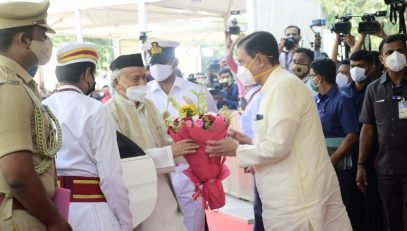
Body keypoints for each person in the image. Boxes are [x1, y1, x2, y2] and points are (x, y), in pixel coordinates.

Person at [205, 31, 352, 230]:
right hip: (287, 194)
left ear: (259, 60)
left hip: (298, 199)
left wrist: (236, 150)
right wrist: (249, 142)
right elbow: (280, 138)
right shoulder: (273, 88)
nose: (239, 69)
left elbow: (278, 146)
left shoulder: (284, 87)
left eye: (242, 62)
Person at [43, 42, 133, 231]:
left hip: (51, 212)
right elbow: (110, 176)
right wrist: (126, 221)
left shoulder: (41, 107)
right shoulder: (96, 109)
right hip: (92, 211)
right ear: (86, 74)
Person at [0, 1, 72, 230]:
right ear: (23, 39)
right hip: (19, 217)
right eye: (42, 36)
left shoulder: (17, 82)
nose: (47, 44)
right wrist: (55, 220)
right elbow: (18, 174)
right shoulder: (9, 85)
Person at [107, 53, 199, 231]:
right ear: (117, 82)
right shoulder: (109, 112)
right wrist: (169, 153)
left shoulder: (149, 105)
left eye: (144, 77)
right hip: (137, 195)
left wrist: (191, 142)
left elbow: (166, 140)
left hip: (164, 186)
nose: (142, 84)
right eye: (135, 79)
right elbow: (123, 161)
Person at [143, 40, 217, 231]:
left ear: (174, 62)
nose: (157, 68)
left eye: (162, 62)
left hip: (189, 171)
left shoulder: (197, 92)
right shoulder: (143, 96)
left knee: (194, 225)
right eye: (153, 63)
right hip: (158, 174)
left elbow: (214, 129)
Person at [357, 33, 407, 231]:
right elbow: (368, 128)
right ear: (382, 59)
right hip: (387, 167)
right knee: (391, 219)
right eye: (390, 52)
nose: (396, 55)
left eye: (401, 51)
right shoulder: (373, 89)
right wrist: (361, 164)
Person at [309, 58, 360, 230]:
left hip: (338, 168)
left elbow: (352, 135)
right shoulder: (317, 100)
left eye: (312, 76)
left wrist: (333, 160)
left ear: (320, 78)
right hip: (319, 165)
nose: (310, 80)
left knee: (338, 212)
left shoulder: (343, 100)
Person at [347, 50, 384, 231]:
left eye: (360, 66)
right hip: (349, 153)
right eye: (353, 66)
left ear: (371, 67)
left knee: (372, 200)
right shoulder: (345, 92)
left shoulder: (377, 89)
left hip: (372, 151)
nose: (355, 70)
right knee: (353, 201)